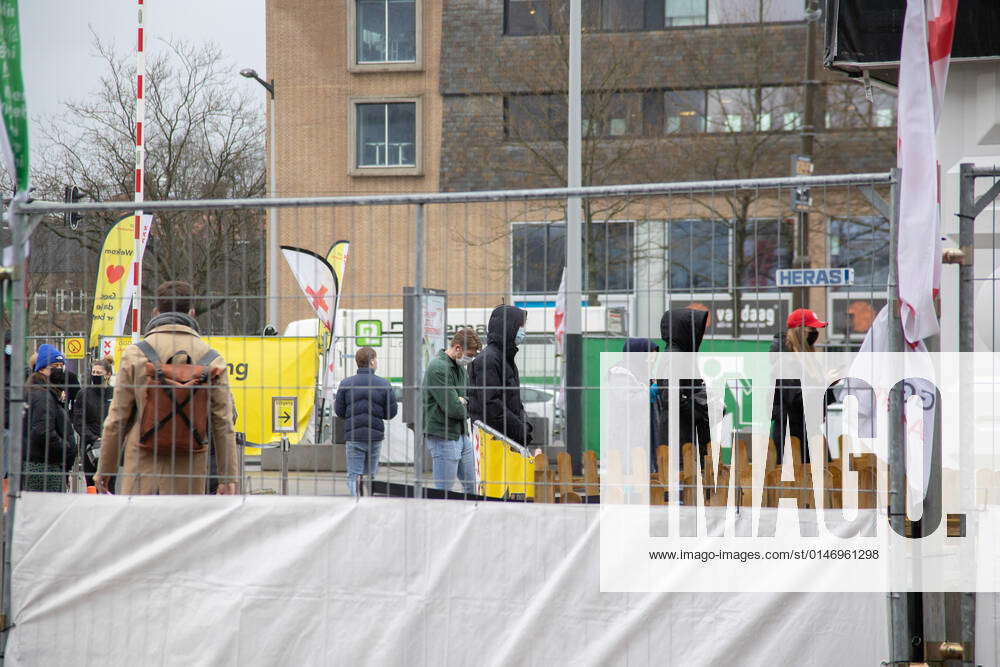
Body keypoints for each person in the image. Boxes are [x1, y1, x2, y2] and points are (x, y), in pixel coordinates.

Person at [95, 281, 239, 495]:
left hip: (141, 470)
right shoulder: (211, 359)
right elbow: (224, 423)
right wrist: (227, 478)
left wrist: (104, 470)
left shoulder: (136, 354)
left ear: (155, 311)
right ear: (191, 312)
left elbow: (117, 420)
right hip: (188, 473)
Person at [769, 308, 834, 464]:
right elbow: (794, 400)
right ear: (799, 330)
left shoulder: (807, 359)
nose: (815, 333)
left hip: (809, 432)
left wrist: (828, 384)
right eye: (811, 328)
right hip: (792, 436)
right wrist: (823, 383)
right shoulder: (785, 361)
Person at [422, 328, 482, 494]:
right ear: (457, 348)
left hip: (462, 434)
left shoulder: (459, 369)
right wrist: (461, 403)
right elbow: (454, 409)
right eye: (469, 354)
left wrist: (464, 401)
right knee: (443, 491)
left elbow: (470, 399)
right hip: (443, 435)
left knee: (472, 488)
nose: (470, 358)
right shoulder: (438, 368)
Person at [334, 346, 398, 496]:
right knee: (371, 474)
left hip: (354, 436)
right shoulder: (383, 384)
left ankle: (356, 501)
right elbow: (391, 413)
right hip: (374, 437)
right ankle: (369, 501)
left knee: (354, 474)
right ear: (372, 361)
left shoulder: (346, 383)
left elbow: (339, 411)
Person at [467, 305, 532, 447]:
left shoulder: (506, 358)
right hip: (494, 442)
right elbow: (491, 404)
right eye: (521, 326)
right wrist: (520, 430)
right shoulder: (489, 359)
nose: (523, 331)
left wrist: (525, 425)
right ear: (509, 327)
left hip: (507, 439)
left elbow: (515, 401)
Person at [659, 308, 711, 468]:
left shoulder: (680, 355)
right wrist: (698, 411)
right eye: (694, 330)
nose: (698, 335)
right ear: (683, 330)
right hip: (680, 435)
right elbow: (671, 397)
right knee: (683, 482)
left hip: (684, 433)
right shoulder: (675, 357)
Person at [23, 344, 76, 492]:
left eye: (61, 365)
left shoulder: (47, 392)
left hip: (50, 466)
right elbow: (42, 431)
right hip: (45, 468)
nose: (59, 369)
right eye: (54, 365)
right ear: (41, 369)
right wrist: (65, 447)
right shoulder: (42, 395)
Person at [71, 356, 115, 490]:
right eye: (93, 372)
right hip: (90, 447)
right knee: (91, 485)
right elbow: (78, 421)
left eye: (99, 373)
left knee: (110, 485)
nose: (95, 375)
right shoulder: (83, 394)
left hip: (111, 446)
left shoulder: (115, 393)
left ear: (108, 374)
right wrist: (94, 438)